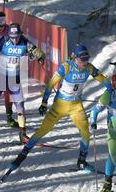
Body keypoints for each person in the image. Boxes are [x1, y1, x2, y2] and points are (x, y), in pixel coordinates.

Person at [7, 45, 110, 175]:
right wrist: (44, 103)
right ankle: (20, 158)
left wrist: (113, 88)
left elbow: (103, 79)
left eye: (87, 59)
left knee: (85, 131)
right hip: (60, 105)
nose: (85, 62)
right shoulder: (66, 67)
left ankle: (82, 161)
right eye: (82, 59)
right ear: (76, 59)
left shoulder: (89, 68)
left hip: (76, 105)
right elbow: (50, 84)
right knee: (42, 130)